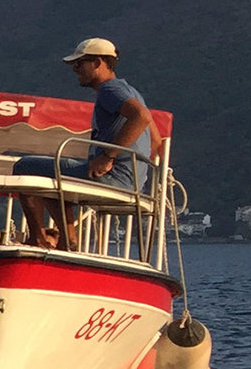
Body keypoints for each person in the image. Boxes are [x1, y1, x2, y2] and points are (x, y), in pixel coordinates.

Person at [14, 38, 152, 249]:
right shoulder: (133, 92)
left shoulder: (109, 89)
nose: (75, 69)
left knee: (24, 167)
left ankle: (38, 239)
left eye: (79, 63)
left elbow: (140, 117)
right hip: (134, 183)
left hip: (113, 179)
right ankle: (68, 240)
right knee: (52, 175)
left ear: (97, 63)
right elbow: (157, 138)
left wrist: (108, 156)